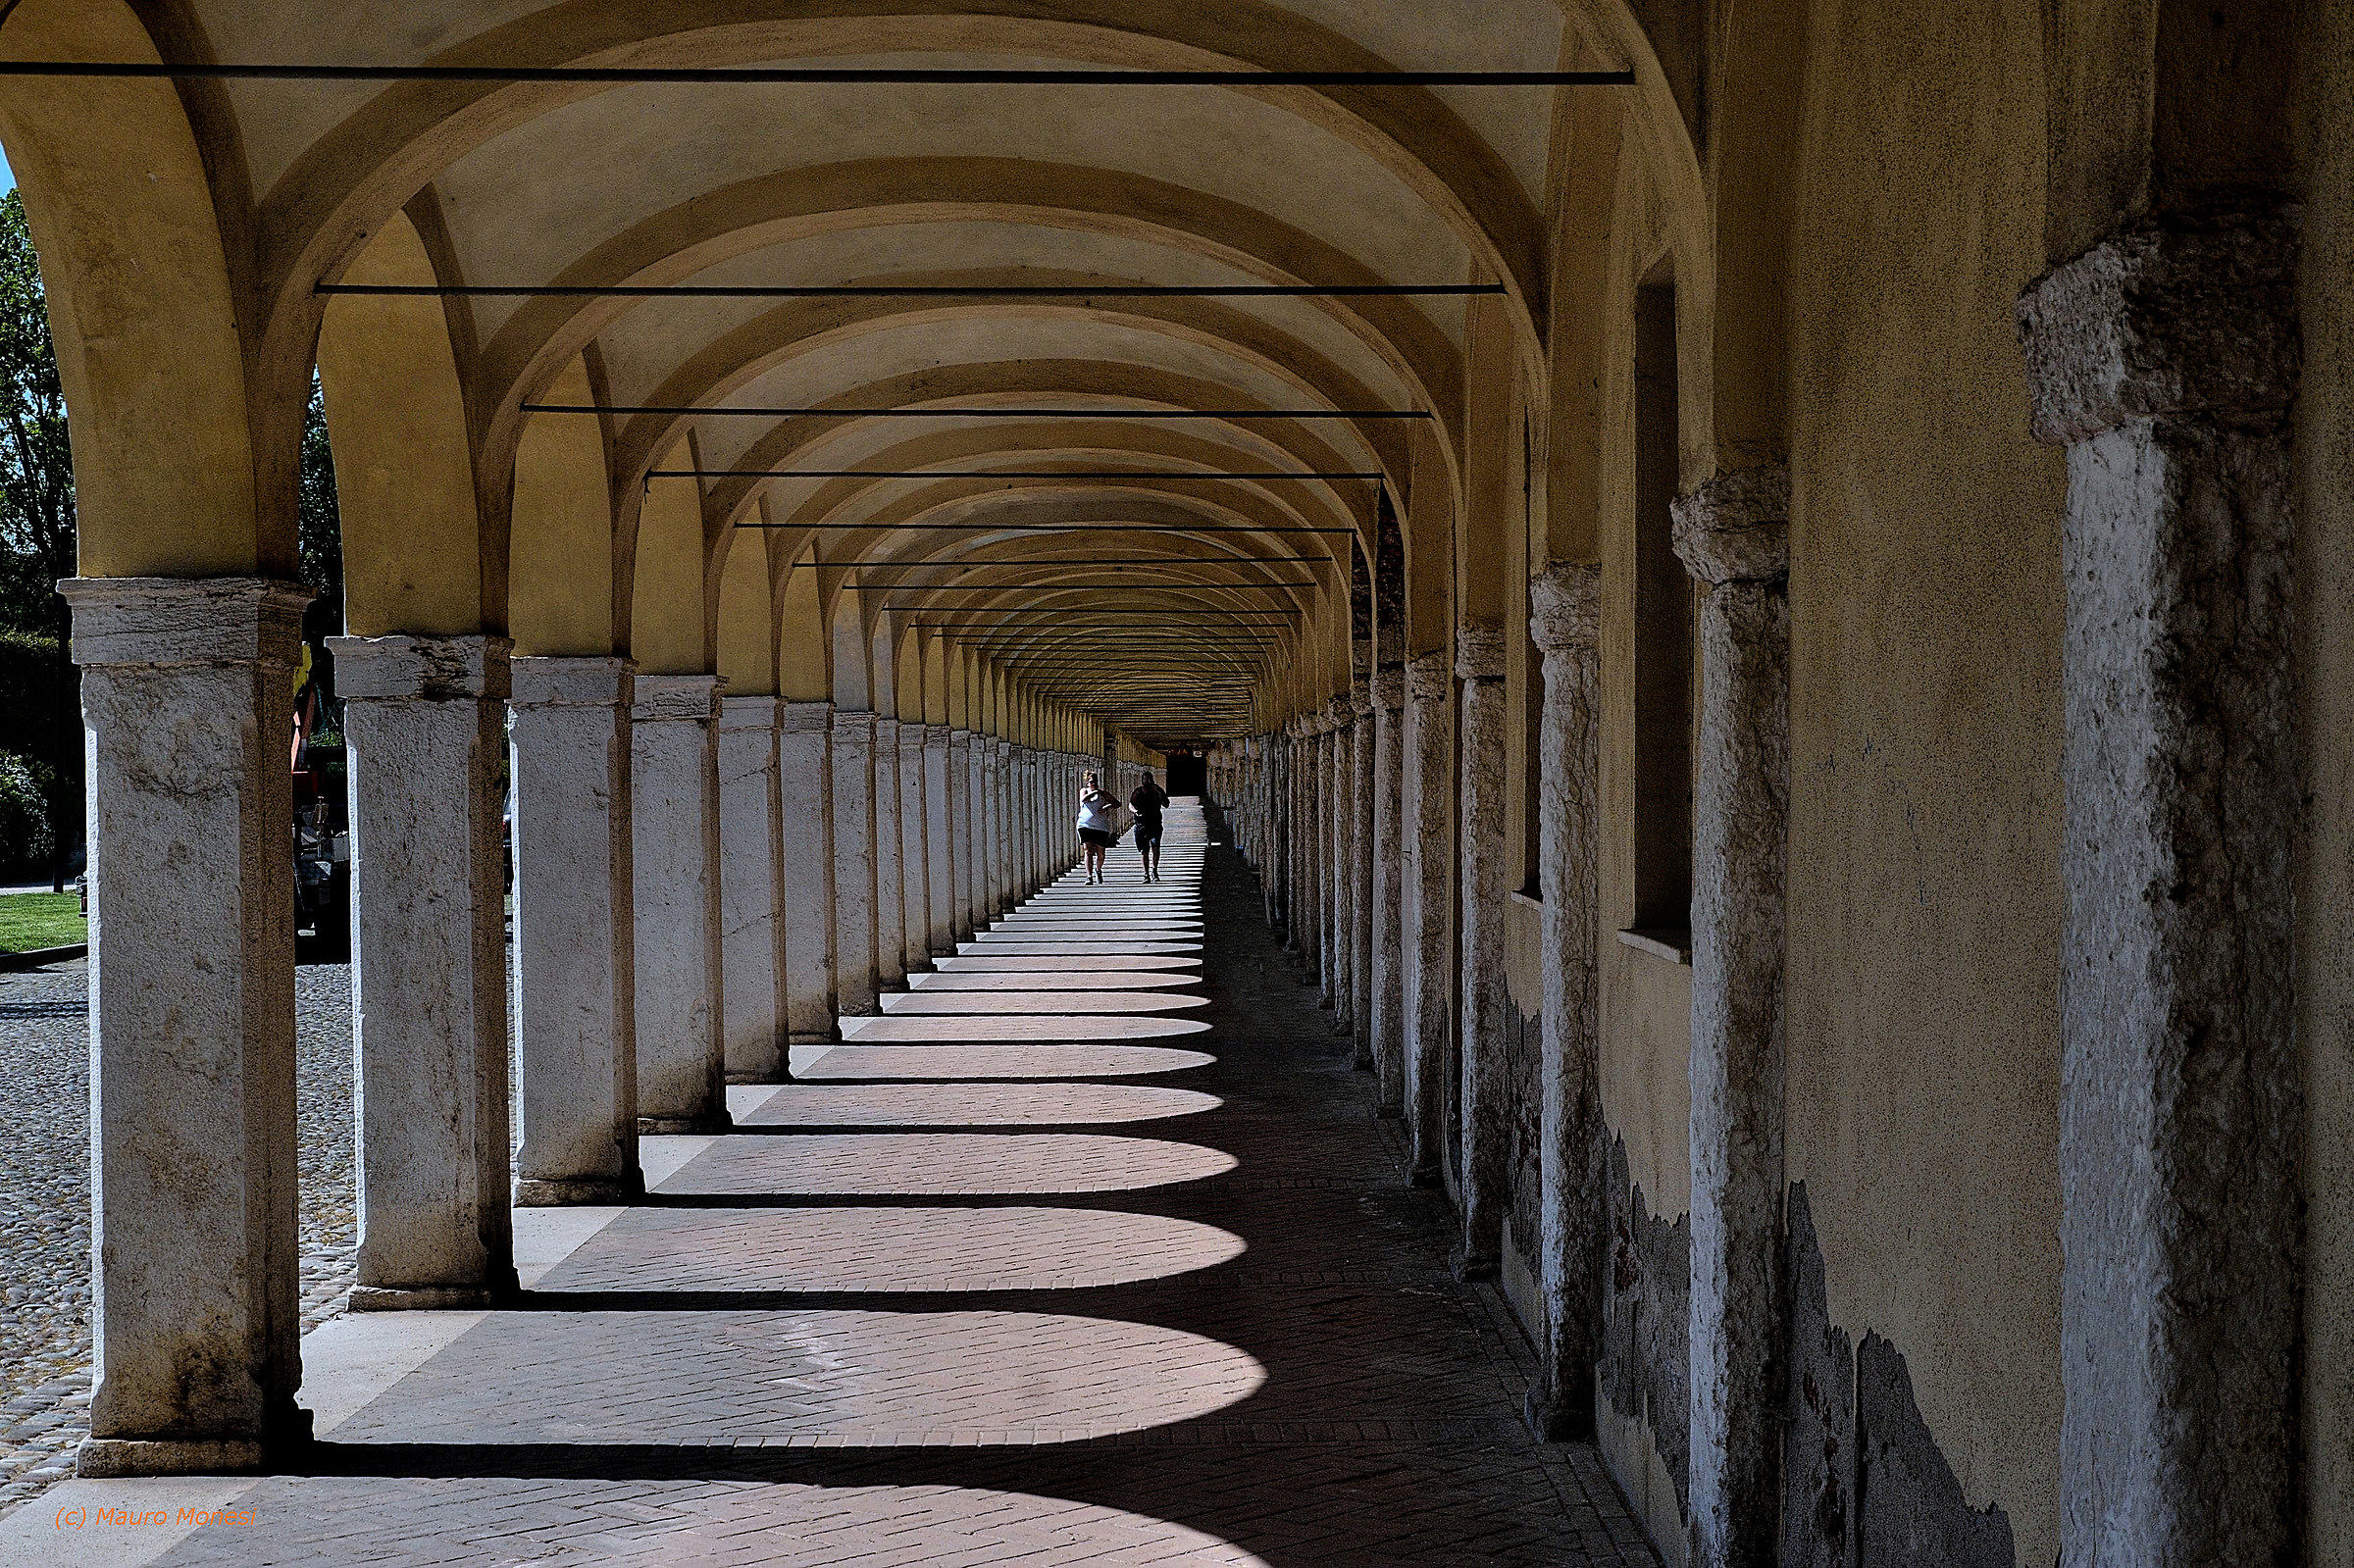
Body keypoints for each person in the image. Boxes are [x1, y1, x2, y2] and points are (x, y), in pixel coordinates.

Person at [1076, 771, 1116, 885]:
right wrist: (1095, 792)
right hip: (1085, 825)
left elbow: (1116, 803)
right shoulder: (1084, 791)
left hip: (1101, 826)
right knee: (1088, 851)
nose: (1093, 784)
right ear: (1087, 782)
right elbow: (1083, 799)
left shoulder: (1103, 793)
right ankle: (1089, 876)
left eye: (1095, 781)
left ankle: (1098, 870)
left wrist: (1107, 806)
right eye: (1091, 782)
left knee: (1101, 854)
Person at [1129, 771, 1169, 883]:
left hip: (1155, 824)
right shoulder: (1138, 792)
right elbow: (1130, 804)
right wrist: (1135, 811)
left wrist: (1159, 793)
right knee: (1144, 851)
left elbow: (1166, 804)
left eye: (1149, 779)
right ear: (1142, 781)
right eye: (1145, 779)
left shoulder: (1158, 790)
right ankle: (1146, 874)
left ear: (1153, 780)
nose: (1147, 781)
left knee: (1156, 848)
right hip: (1141, 825)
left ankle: (1154, 870)